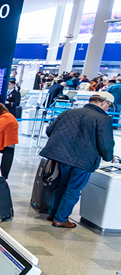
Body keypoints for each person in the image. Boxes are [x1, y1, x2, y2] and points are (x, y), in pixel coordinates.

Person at [40, 92, 115, 228]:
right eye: (108, 106)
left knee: (62, 185)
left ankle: (53, 213)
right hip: (84, 160)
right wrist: (109, 157)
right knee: (73, 189)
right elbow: (106, 143)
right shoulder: (103, 119)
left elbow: (50, 130)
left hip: (63, 157)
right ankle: (61, 219)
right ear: (104, 103)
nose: (107, 109)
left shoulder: (68, 113)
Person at [0, 102, 19, 179]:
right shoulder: (5, 116)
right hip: (7, 143)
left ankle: (2, 179)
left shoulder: (6, 117)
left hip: (7, 144)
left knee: (5, 166)